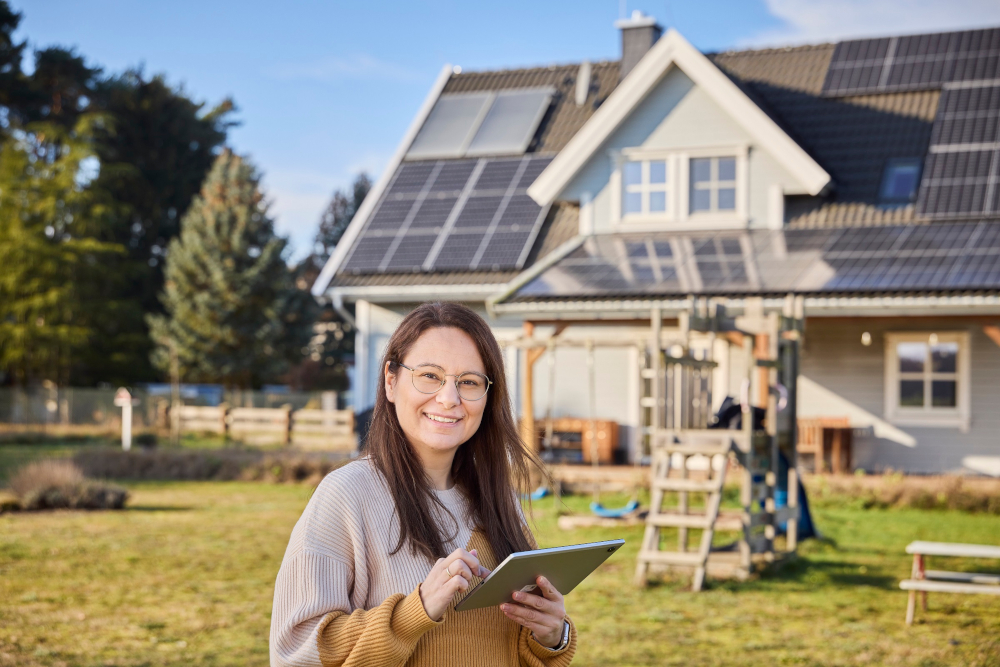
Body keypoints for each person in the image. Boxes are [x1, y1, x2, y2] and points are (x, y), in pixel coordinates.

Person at [270, 302, 576, 667]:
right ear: (391, 381)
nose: (450, 399)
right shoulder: (346, 495)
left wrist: (552, 636)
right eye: (430, 376)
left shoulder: (499, 498)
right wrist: (416, 610)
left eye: (469, 382)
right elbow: (296, 654)